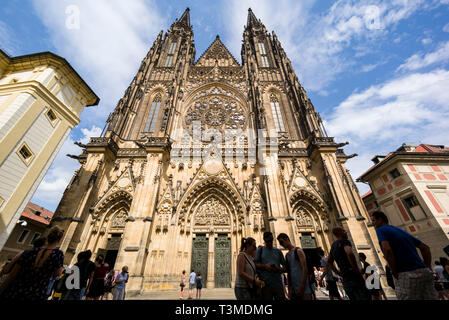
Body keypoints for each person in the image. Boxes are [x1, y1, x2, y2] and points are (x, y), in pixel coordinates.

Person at [371, 210, 438, 300]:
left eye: (374, 221)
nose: (372, 224)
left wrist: (394, 272)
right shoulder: (399, 230)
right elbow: (425, 248)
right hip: (424, 272)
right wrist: (428, 267)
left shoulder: (381, 230)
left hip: (406, 273)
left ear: (380, 220)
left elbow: (387, 250)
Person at [0, 227, 65, 300]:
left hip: (17, 290)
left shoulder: (28, 253)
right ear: (59, 240)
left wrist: (1, 289)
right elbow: (57, 274)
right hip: (37, 293)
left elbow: (12, 274)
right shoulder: (58, 254)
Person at [327, 227, 371, 301]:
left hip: (345, 278)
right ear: (339, 233)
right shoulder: (345, 241)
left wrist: (338, 273)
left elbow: (329, 262)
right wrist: (356, 268)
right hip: (353, 275)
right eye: (344, 231)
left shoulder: (333, 245)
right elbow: (349, 252)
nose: (346, 232)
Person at [277, 233, 312, 300]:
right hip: (294, 289)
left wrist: (302, 287)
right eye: (280, 243)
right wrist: (289, 289)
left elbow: (305, 269)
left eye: (281, 242)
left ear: (287, 239)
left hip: (304, 289)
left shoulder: (298, 251)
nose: (281, 244)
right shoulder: (287, 255)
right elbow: (289, 273)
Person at [254, 232, 286, 300]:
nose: (269, 242)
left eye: (271, 240)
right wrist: (265, 266)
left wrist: (277, 268)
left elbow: (285, 268)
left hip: (278, 284)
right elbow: (255, 264)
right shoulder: (260, 250)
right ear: (264, 240)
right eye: (267, 241)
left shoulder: (278, 251)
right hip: (265, 284)